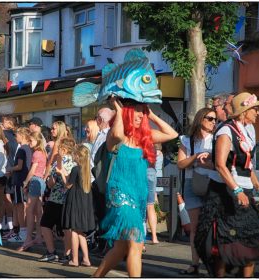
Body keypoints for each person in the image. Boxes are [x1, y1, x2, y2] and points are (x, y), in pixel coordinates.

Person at [93, 98, 178, 277]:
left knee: (121, 247)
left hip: (138, 196)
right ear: (127, 113)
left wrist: (152, 114)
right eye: (137, 110)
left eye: (142, 111)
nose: (141, 114)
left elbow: (172, 134)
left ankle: (96, 276)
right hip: (119, 194)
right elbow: (116, 133)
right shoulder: (116, 136)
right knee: (136, 242)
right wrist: (118, 108)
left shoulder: (145, 137)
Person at [195, 92, 259, 277]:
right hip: (225, 194)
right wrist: (237, 190)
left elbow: (248, 166)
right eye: (255, 109)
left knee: (250, 241)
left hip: (242, 192)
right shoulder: (226, 131)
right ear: (244, 111)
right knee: (224, 244)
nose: (258, 112)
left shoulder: (246, 131)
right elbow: (220, 164)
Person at [177, 108, 217, 275]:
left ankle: (213, 263)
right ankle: (194, 263)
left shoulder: (218, 138)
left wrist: (204, 161)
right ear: (201, 119)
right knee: (195, 227)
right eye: (210, 118)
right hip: (192, 184)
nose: (214, 122)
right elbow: (180, 163)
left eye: (215, 119)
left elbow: (220, 162)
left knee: (212, 226)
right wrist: (195, 157)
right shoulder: (187, 140)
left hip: (213, 183)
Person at [39, 137, 76, 262]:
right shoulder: (75, 162)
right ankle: (67, 255)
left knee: (45, 224)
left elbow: (51, 184)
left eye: (59, 148)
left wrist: (51, 176)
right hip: (68, 199)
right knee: (65, 228)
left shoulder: (59, 162)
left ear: (64, 149)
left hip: (56, 198)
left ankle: (51, 252)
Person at [59, 144, 96, 267]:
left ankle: (75, 259)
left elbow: (68, 185)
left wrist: (62, 174)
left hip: (75, 202)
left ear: (78, 156)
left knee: (74, 231)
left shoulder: (76, 169)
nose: (73, 155)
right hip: (85, 203)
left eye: (75, 154)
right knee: (81, 233)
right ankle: (86, 259)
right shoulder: (87, 170)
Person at [89, 107, 115, 255]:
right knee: (99, 213)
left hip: (102, 180)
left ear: (100, 120)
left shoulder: (108, 135)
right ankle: (101, 243)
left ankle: (106, 245)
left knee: (104, 213)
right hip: (96, 179)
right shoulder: (100, 134)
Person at [17, 131, 47, 252]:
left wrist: (25, 182)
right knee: (38, 211)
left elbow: (33, 170)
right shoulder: (43, 153)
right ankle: (39, 236)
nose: (29, 143)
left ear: (38, 141)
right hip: (41, 181)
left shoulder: (36, 153)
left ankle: (29, 238)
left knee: (29, 210)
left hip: (35, 181)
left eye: (31, 141)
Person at [5, 127, 31, 243]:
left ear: (23, 136)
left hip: (19, 180)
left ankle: (22, 232)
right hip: (22, 180)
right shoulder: (28, 149)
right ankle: (17, 231)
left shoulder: (21, 150)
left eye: (17, 135)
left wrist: (9, 168)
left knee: (20, 207)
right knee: (18, 206)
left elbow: (19, 166)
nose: (15, 137)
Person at [0, 115, 19, 235]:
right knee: (10, 197)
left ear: (9, 123)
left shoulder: (5, 134)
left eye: (2, 122)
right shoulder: (14, 135)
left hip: (8, 168)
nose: (0, 124)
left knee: (6, 198)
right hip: (13, 167)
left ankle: (11, 224)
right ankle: (9, 223)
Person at [145, 143, 164, 246]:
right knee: (151, 206)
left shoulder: (141, 145)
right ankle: (154, 237)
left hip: (142, 172)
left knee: (140, 208)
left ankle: (141, 240)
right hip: (152, 174)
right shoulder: (157, 152)